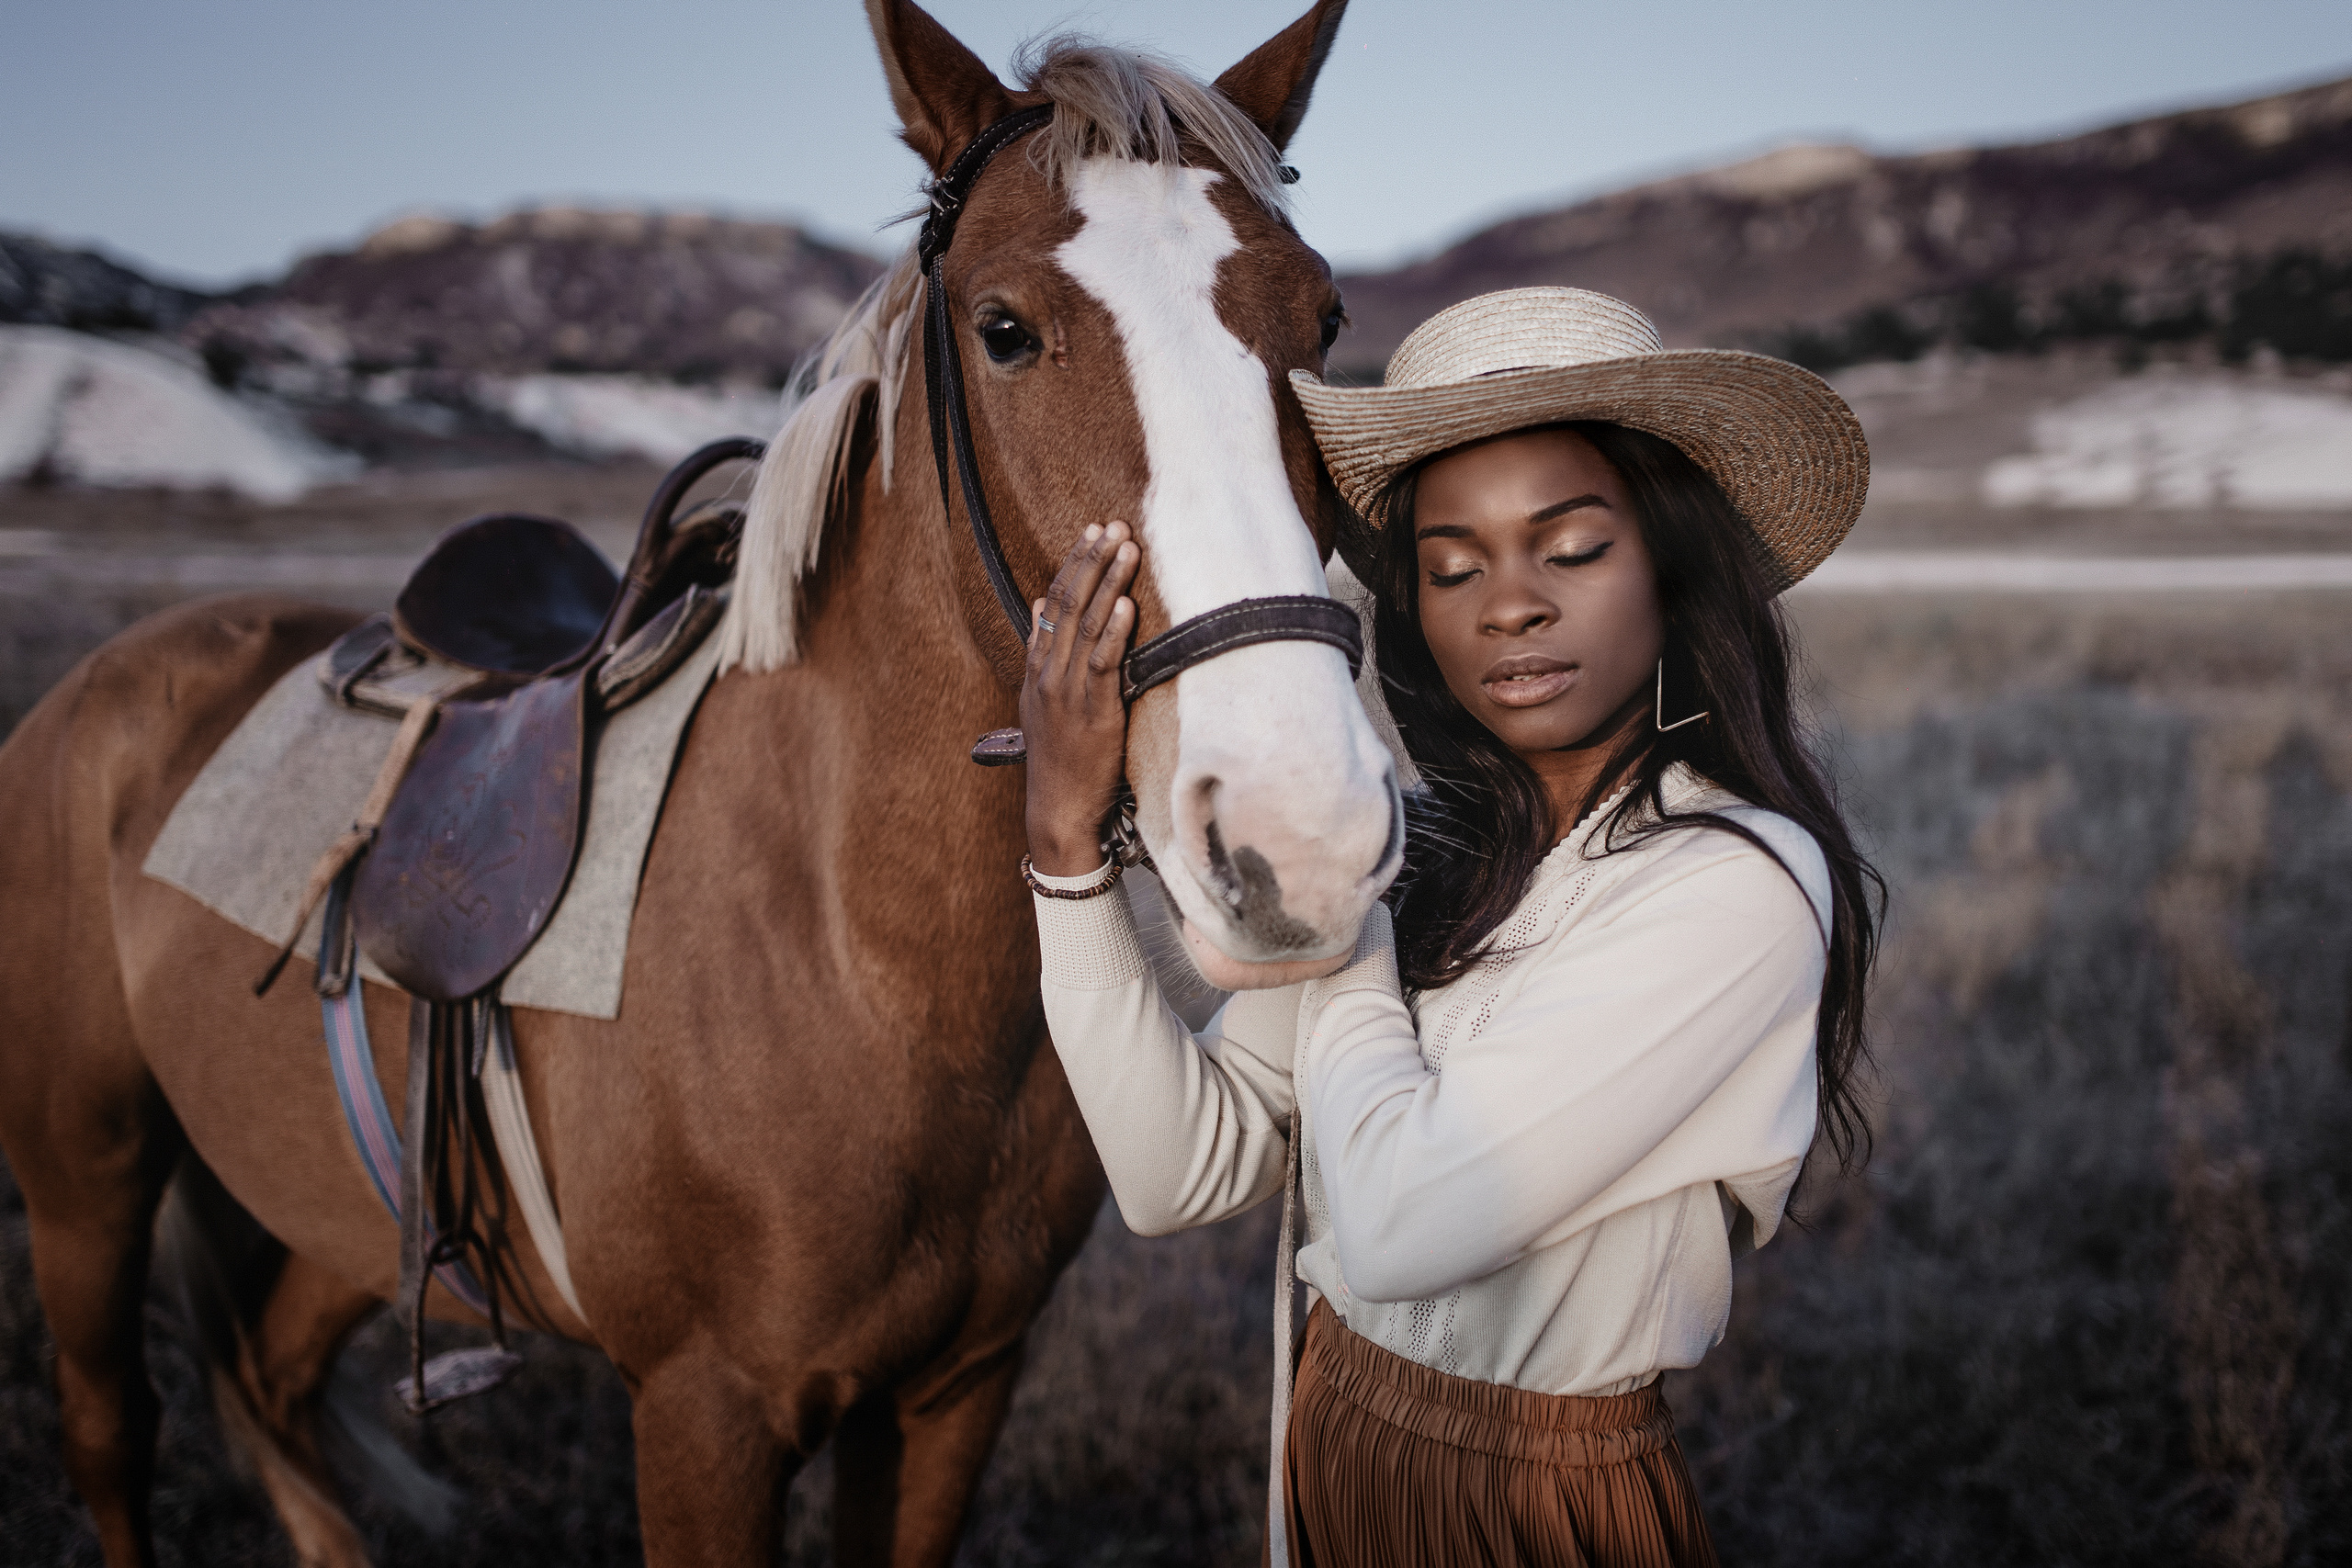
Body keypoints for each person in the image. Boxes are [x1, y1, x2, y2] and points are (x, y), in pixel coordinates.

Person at [1017, 287, 1883, 1566]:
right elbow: (1174, 1171)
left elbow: (1400, 1223)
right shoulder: (1431, 844)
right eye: (1452, 566)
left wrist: (1345, 877)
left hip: (1533, 1504)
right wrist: (1065, 850)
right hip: (1331, 1445)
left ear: (1672, 562)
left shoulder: (1737, 883)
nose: (1509, 604)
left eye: (1572, 548)